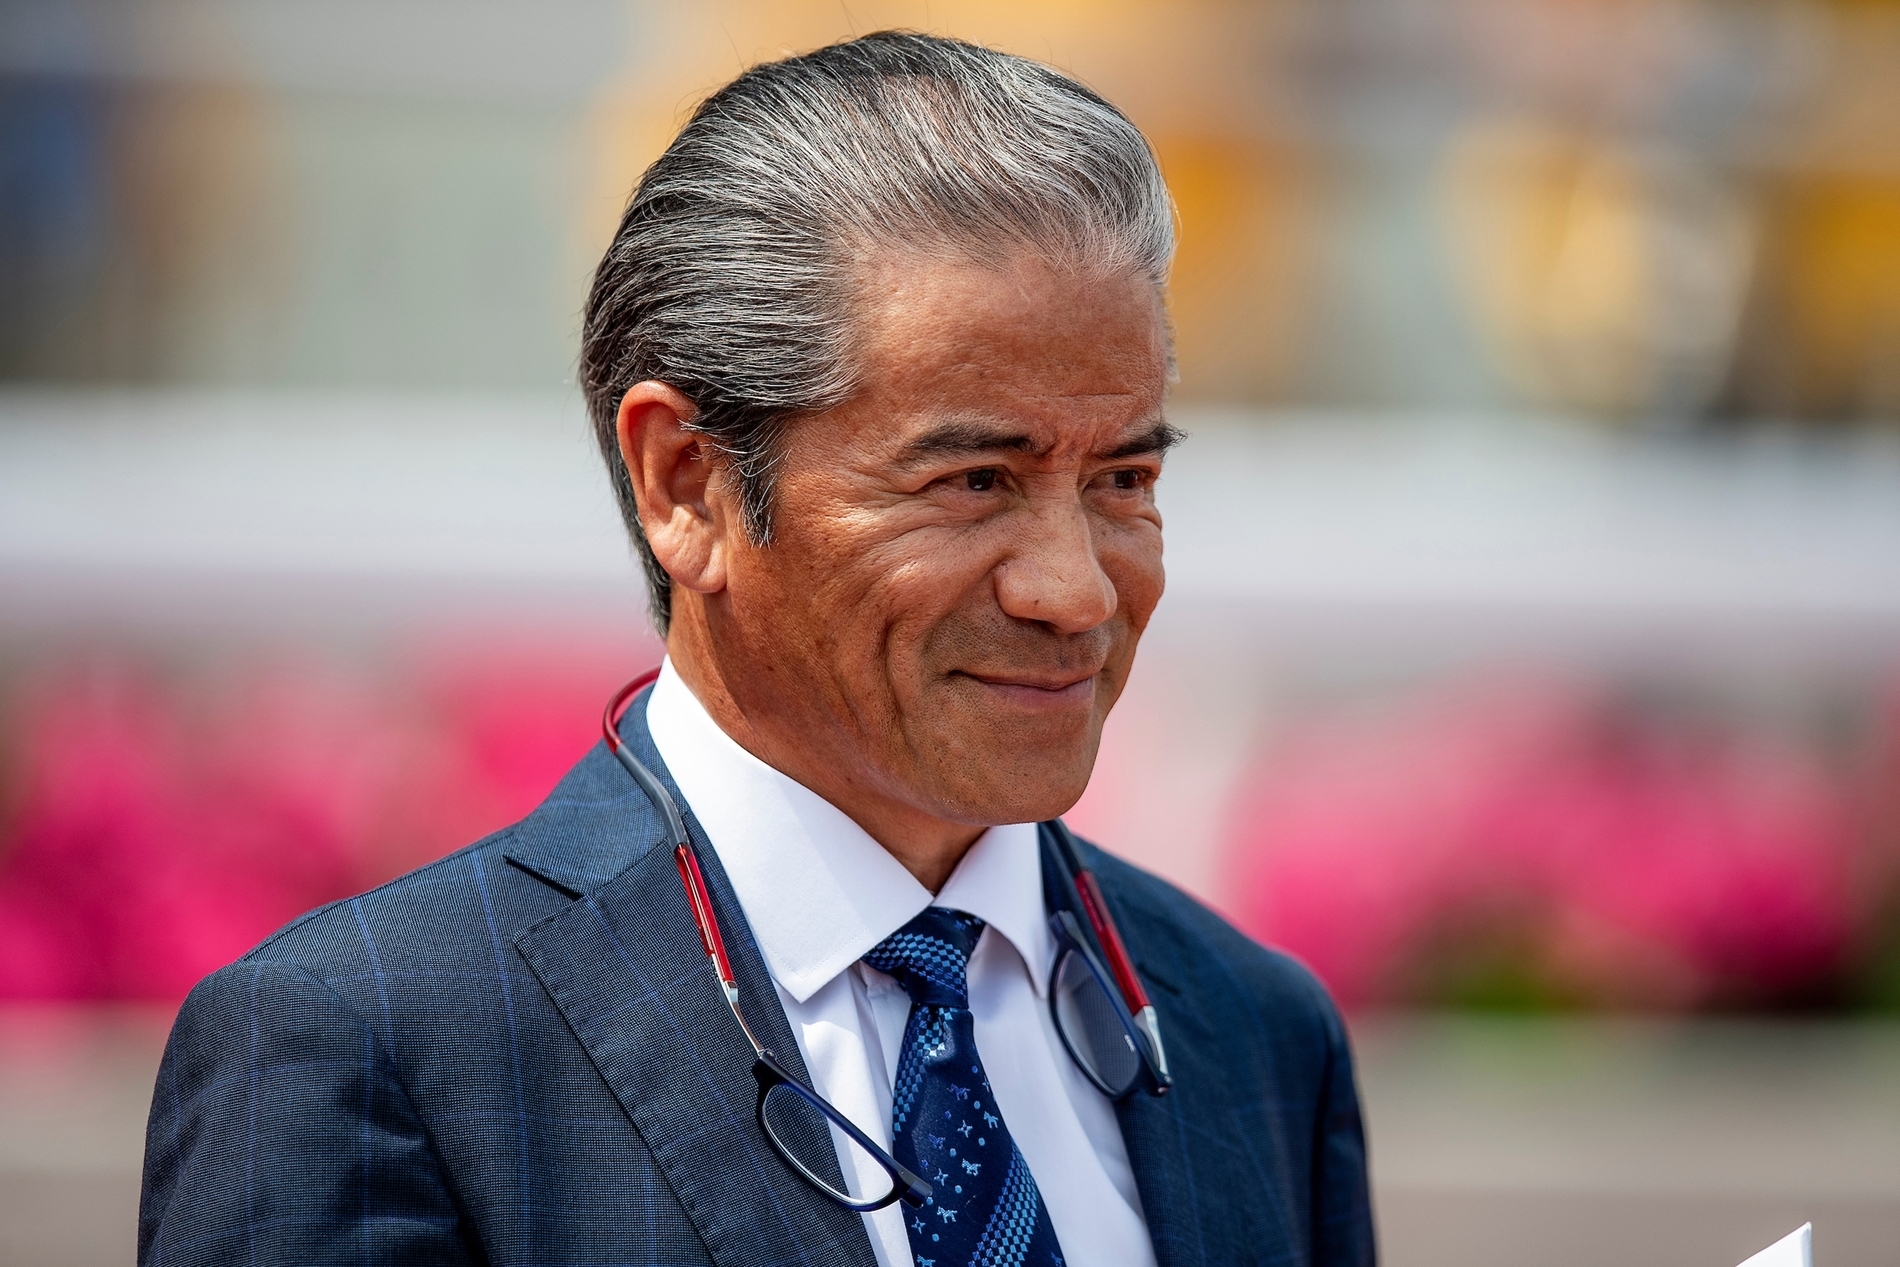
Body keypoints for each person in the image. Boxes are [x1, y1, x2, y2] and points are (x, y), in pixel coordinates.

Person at [139, 31, 1374, 1267]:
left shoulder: (1254, 1037)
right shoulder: (376, 1047)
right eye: (973, 481)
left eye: (1123, 480)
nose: (1074, 589)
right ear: (688, 484)